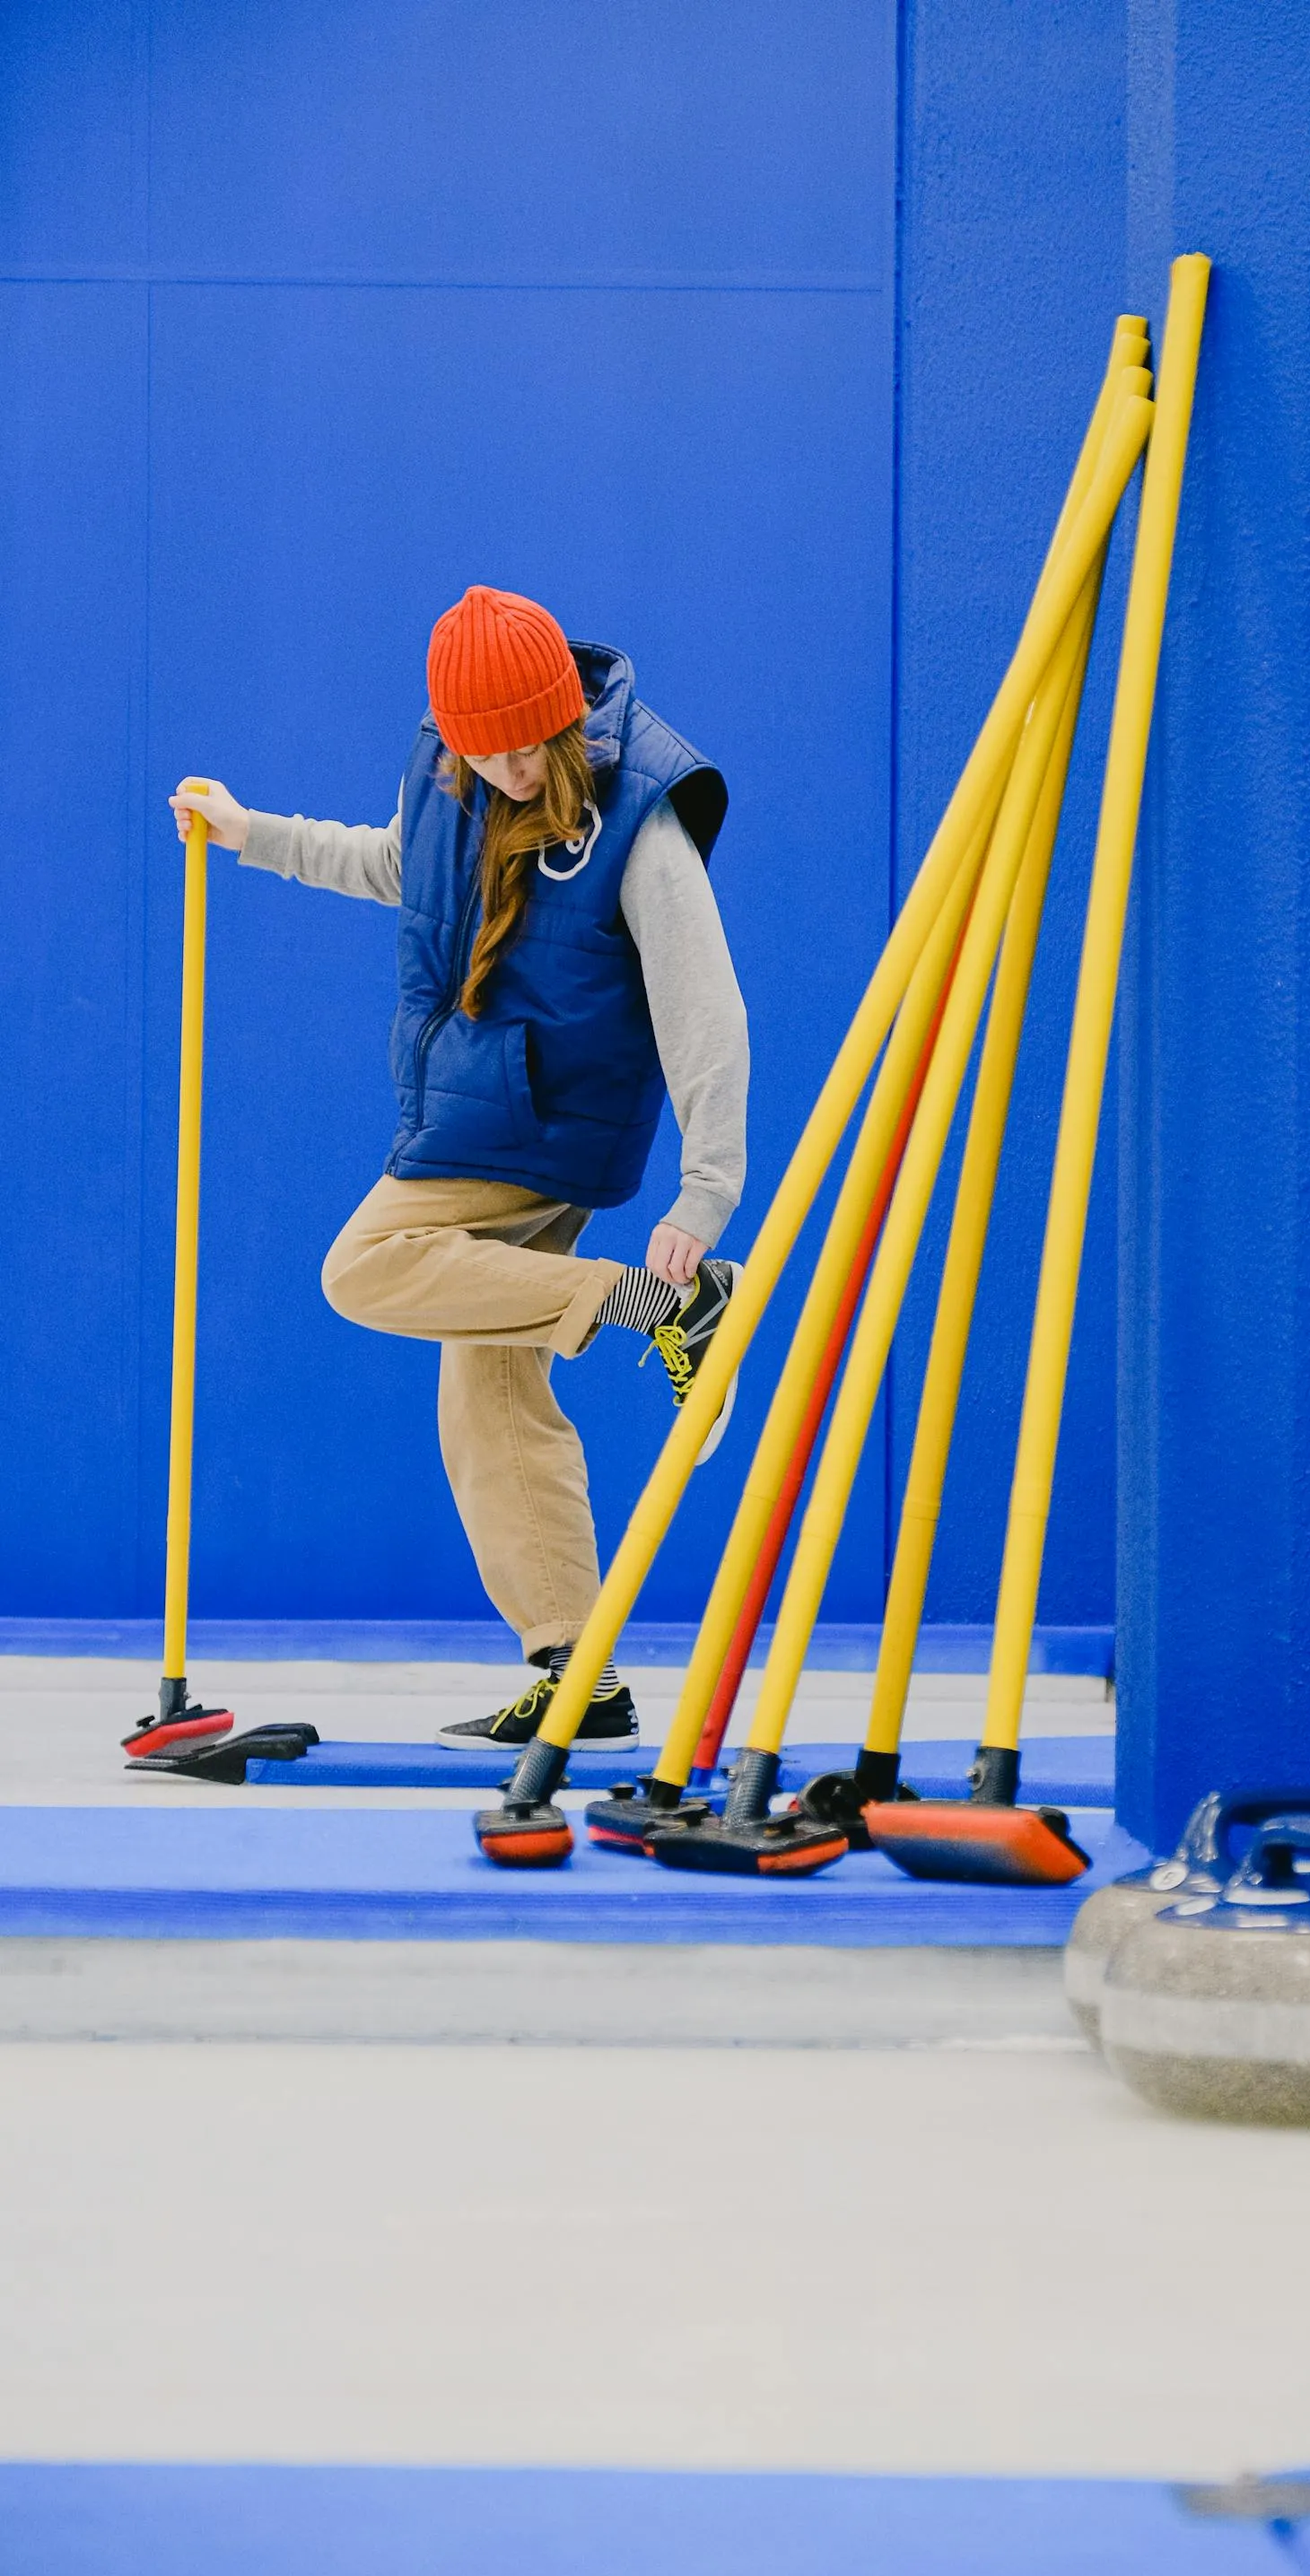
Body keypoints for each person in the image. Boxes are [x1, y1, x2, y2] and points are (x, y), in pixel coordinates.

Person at [170, 586, 747, 1760]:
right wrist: (253, 835)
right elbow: (398, 870)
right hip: (489, 1105)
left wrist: (705, 1195)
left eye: (525, 746)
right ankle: (572, 1669)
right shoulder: (454, 780)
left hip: (535, 1129)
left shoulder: (638, 816)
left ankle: (656, 1301)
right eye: (480, 750)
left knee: (364, 1267)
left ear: (563, 722)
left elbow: (707, 1009)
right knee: (487, 1394)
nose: (506, 771)